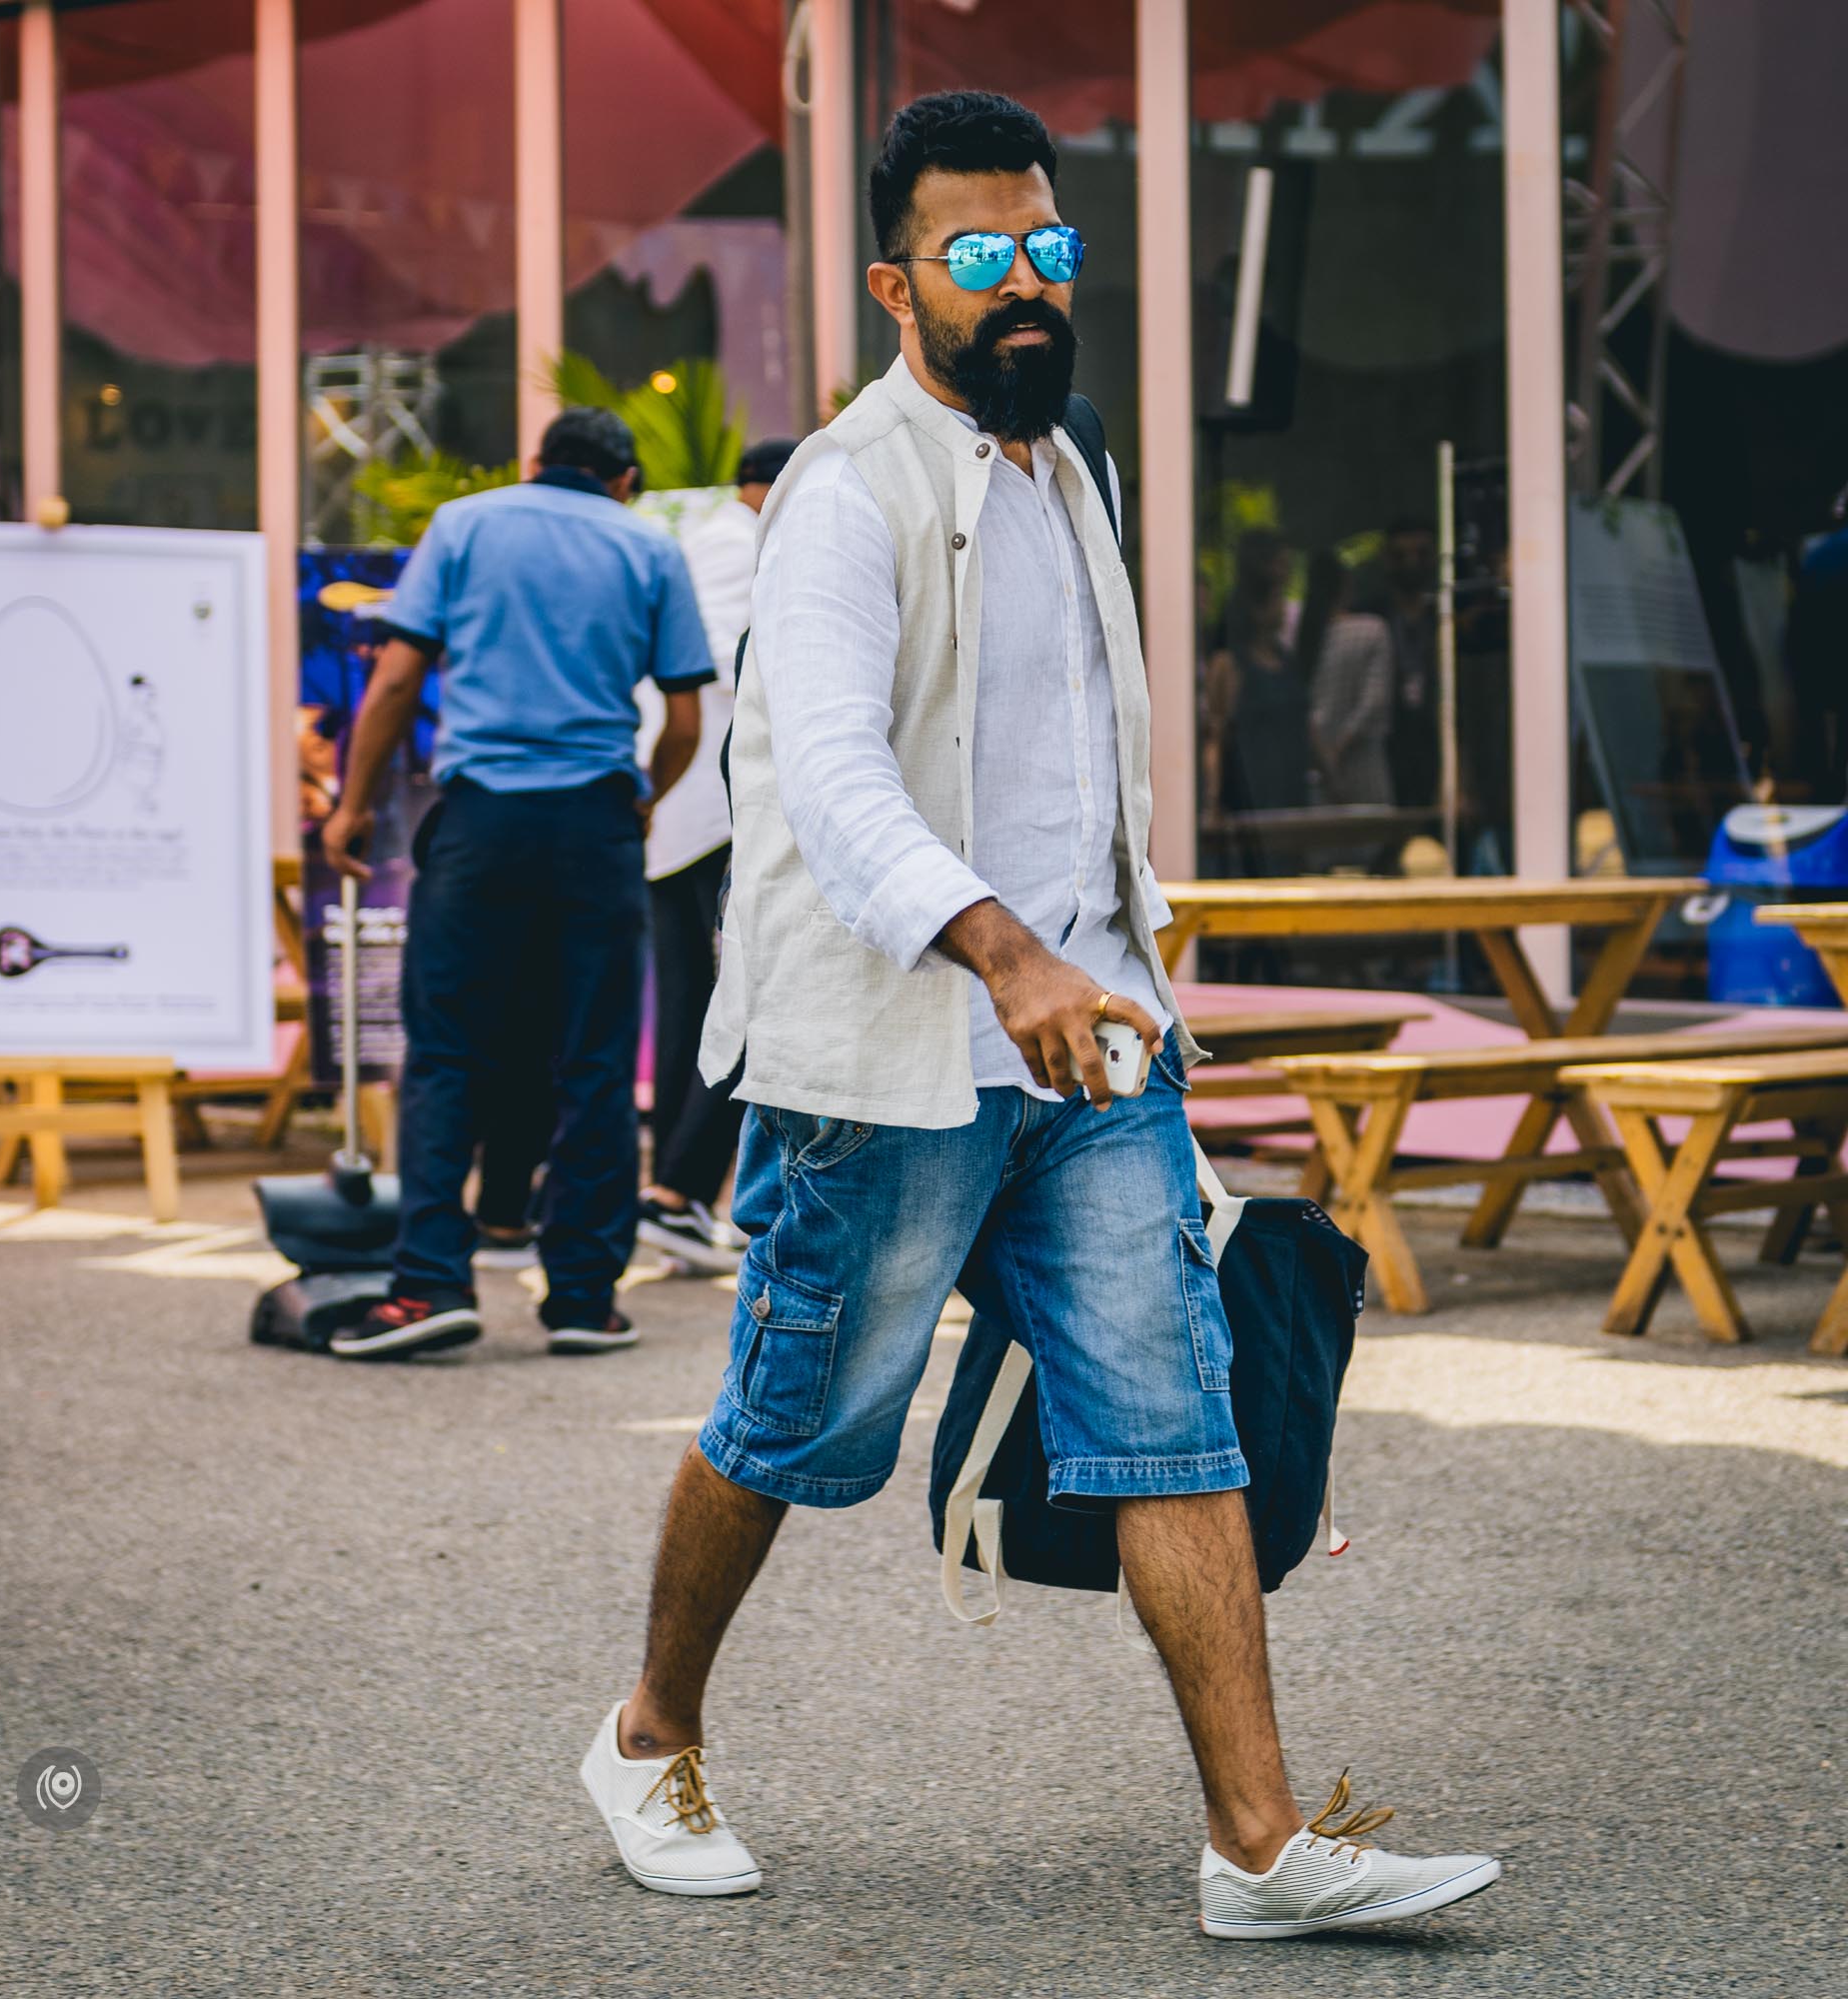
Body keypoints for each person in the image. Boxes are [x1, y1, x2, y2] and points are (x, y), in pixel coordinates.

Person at [578, 90, 1500, 1940]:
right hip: (904, 1058)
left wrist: (1119, 951)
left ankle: (1258, 1849)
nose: (1024, 286)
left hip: (1091, 1053)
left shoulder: (1064, 465)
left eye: (1048, 248)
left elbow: (1076, 758)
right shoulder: (852, 490)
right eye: (978, 256)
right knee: (794, 1421)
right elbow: (833, 775)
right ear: (893, 284)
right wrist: (1007, 953)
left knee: (1176, 1417)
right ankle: (649, 1732)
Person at [320, 407, 713, 1360]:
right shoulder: (649, 549)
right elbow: (688, 720)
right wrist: (643, 803)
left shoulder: (466, 525)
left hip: (481, 826)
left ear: (536, 463)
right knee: (597, 1062)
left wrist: (352, 806)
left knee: (448, 1052)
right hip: (595, 830)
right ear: (624, 479)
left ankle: (429, 1285)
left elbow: (397, 683)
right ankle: (583, 1298)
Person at [637, 439, 799, 1273]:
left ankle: (672, 1194)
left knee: (688, 1010)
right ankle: (680, 1190)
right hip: (721, 817)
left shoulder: (697, 541)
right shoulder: (747, 546)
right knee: (743, 1003)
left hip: (675, 818)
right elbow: (748, 670)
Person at [1203, 528, 1306, 817]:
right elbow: (1217, 735)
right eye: (1277, 595)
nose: (1284, 605)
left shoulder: (1287, 660)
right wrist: (1211, 805)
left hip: (1291, 792)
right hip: (1251, 801)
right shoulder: (1229, 664)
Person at [1300, 548, 1395, 808]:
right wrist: (1338, 749)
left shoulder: (1302, 639)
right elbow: (1373, 704)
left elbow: (1301, 709)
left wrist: (1325, 758)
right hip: (1363, 768)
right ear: (1346, 587)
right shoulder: (1372, 630)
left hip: (1315, 773)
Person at [1363, 515, 1439, 809]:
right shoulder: (1369, 617)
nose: (1411, 564)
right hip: (1386, 751)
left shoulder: (1447, 617)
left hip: (1433, 747)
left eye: (1421, 554)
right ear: (1386, 559)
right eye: (1400, 555)